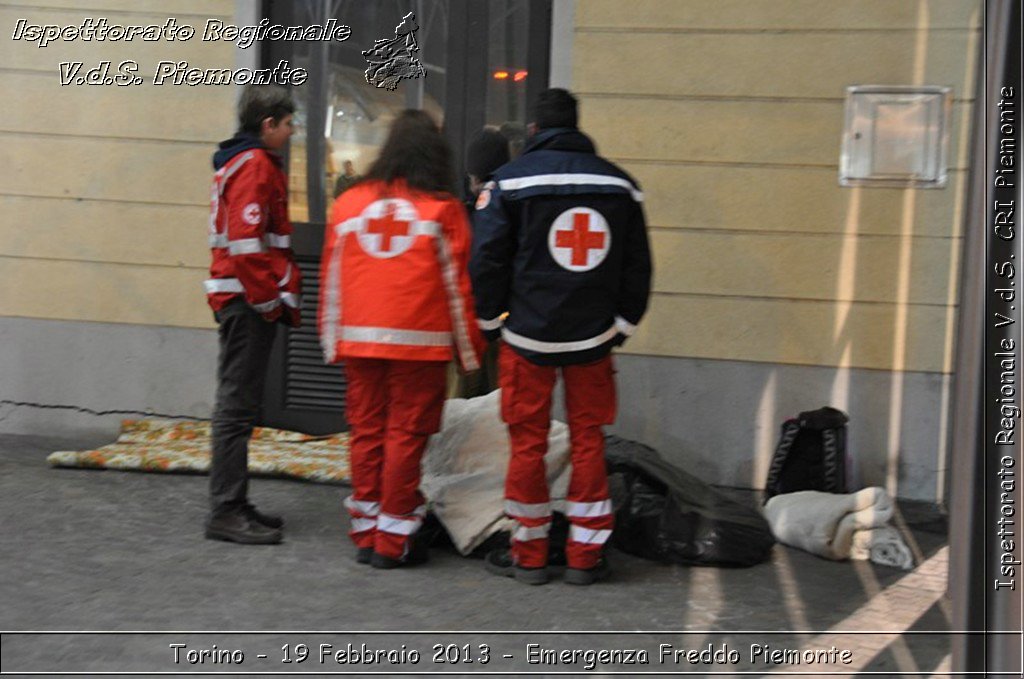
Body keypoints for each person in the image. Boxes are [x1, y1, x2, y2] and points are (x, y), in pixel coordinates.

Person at [470, 88, 652, 585]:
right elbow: (638, 264)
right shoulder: (621, 185)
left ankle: (528, 555)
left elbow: (486, 258)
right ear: (577, 126)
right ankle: (585, 557)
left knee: (527, 441)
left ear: (533, 130)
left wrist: (490, 321)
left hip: (528, 335)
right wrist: (622, 325)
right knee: (588, 438)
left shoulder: (507, 183)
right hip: (592, 338)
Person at [318, 110, 483, 569]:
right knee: (405, 436)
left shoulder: (349, 203)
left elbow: (331, 278)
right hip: (419, 344)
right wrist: (470, 351)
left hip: (359, 342)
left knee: (366, 431)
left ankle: (367, 532)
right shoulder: (441, 208)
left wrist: (331, 339)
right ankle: (393, 540)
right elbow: (457, 288)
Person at [203, 84, 302, 545]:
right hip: (247, 300)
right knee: (236, 408)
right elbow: (247, 245)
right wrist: (268, 302)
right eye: (288, 124)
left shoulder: (238, 161)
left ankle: (235, 503)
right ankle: (226, 510)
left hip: (239, 298)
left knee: (237, 405)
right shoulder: (256, 165)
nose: (291, 131)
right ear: (268, 125)